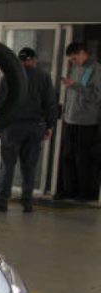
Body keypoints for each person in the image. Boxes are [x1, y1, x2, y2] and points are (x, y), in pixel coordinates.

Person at [0, 47, 58, 213]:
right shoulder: (44, 77)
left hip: (12, 127)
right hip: (35, 127)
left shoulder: (10, 77)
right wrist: (49, 126)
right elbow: (51, 104)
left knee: (7, 165)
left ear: (19, 60)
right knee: (29, 166)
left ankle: (1, 201)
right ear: (34, 60)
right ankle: (27, 202)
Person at [56, 41, 101, 202]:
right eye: (71, 59)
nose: (73, 62)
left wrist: (74, 85)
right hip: (70, 119)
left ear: (83, 53)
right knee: (68, 156)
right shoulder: (74, 68)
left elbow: (96, 95)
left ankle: (86, 192)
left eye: (75, 58)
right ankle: (69, 190)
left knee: (84, 159)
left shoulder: (95, 69)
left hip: (87, 122)